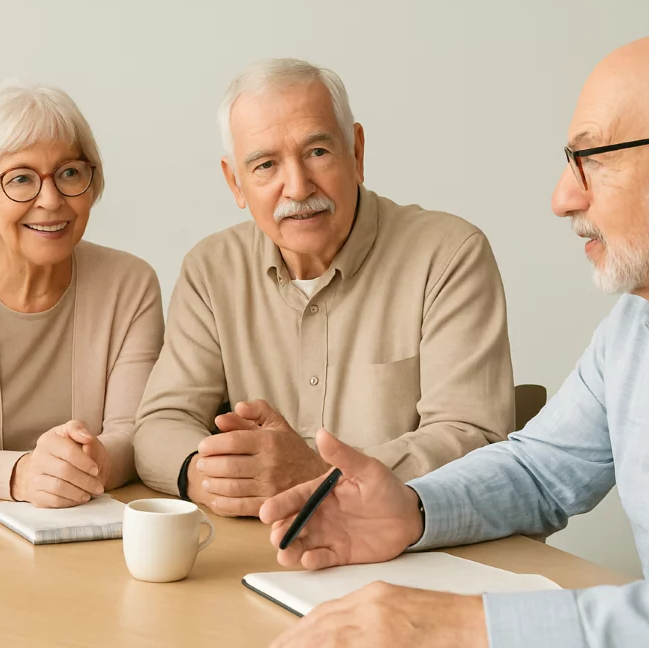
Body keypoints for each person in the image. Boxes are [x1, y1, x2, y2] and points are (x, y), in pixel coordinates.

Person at [260, 26, 649, 647]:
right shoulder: (637, 325)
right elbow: (540, 468)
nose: (562, 198)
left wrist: (460, 626)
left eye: (592, 159)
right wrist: (410, 511)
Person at [134, 59, 515, 517]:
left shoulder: (449, 254)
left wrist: (316, 473)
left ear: (356, 152)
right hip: (258, 551)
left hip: (410, 552)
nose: (296, 187)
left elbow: (473, 437)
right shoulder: (211, 269)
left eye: (317, 152)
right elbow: (160, 425)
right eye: (265, 164)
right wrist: (203, 471)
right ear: (235, 182)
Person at [0, 81, 163, 508]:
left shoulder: (131, 285)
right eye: (21, 179)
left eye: (69, 172)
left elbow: (137, 432)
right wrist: (21, 474)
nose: (52, 199)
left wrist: (92, 461)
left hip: (94, 525)